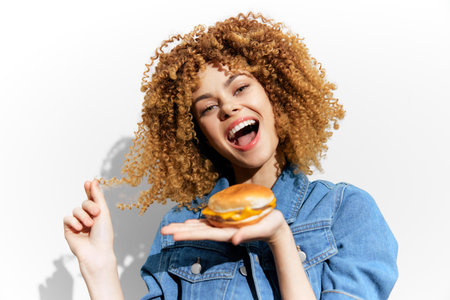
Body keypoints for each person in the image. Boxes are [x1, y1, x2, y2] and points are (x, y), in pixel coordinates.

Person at [63, 12, 398, 300]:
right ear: (200, 134)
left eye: (240, 88)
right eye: (208, 107)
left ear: (275, 95)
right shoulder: (179, 227)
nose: (228, 106)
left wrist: (280, 239)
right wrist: (100, 268)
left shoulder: (346, 211)